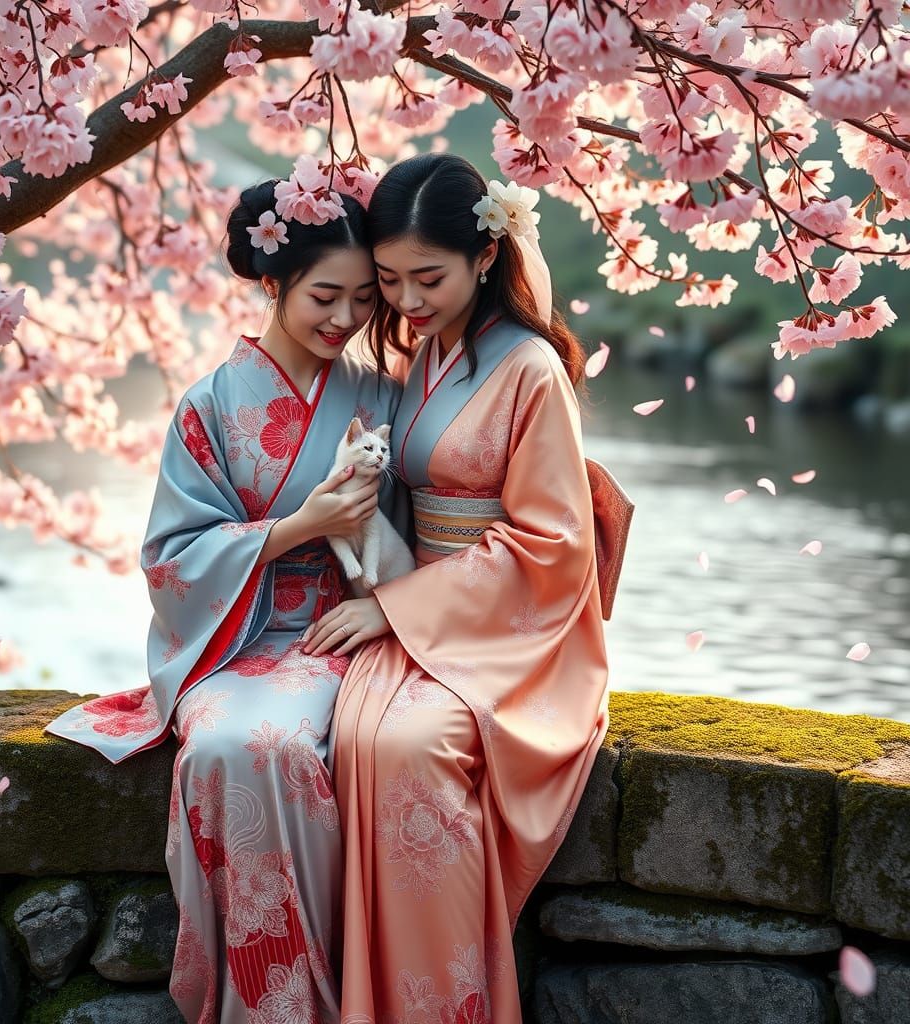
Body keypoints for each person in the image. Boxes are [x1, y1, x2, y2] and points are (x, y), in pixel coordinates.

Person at [44, 179, 407, 1024]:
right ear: (272, 283)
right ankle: (269, 1000)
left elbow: (416, 529)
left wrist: (382, 599)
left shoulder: (382, 395)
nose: (345, 318)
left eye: (363, 298)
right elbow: (170, 559)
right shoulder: (211, 405)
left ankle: (325, 992)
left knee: (278, 743)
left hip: (340, 632)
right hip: (230, 640)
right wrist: (297, 524)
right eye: (325, 295)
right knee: (226, 747)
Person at [302, 153, 629, 1023]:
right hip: (427, 601)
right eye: (389, 280)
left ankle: (448, 1004)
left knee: (409, 746)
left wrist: (390, 606)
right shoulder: (427, 352)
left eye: (428, 278)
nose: (405, 302)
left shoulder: (530, 370)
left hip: (514, 626)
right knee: (356, 734)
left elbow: (550, 541)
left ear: (486, 257)